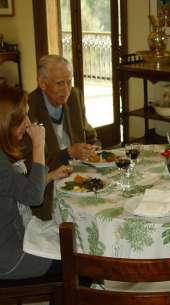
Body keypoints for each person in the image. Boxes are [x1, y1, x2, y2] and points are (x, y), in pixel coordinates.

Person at [0, 86, 70, 280]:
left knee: (69, 237)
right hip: (10, 255)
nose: (29, 124)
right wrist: (39, 144)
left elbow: (14, 190)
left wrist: (48, 176)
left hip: (14, 238)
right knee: (79, 258)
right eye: (24, 118)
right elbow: (33, 197)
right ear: (7, 122)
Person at [25, 54, 99, 220]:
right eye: (59, 83)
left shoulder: (74, 96)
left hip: (80, 173)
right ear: (42, 83)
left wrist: (94, 148)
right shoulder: (28, 109)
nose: (66, 89)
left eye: (69, 81)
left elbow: (89, 133)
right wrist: (68, 153)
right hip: (49, 186)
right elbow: (32, 165)